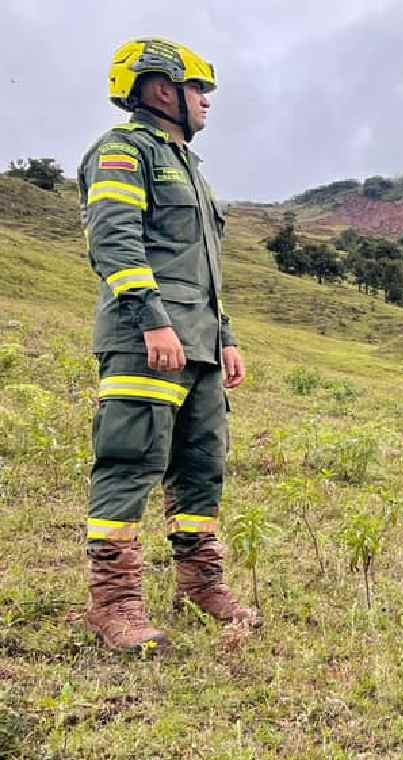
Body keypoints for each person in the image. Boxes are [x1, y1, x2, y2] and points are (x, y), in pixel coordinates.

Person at [78, 38, 255, 651]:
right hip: (145, 340)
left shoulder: (190, 168)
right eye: (198, 89)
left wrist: (224, 336)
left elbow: (201, 268)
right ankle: (114, 603)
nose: (207, 101)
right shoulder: (124, 153)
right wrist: (153, 320)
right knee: (131, 461)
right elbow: (115, 241)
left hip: (200, 347)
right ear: (161, 89)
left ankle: (200, 583)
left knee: (202, 467)